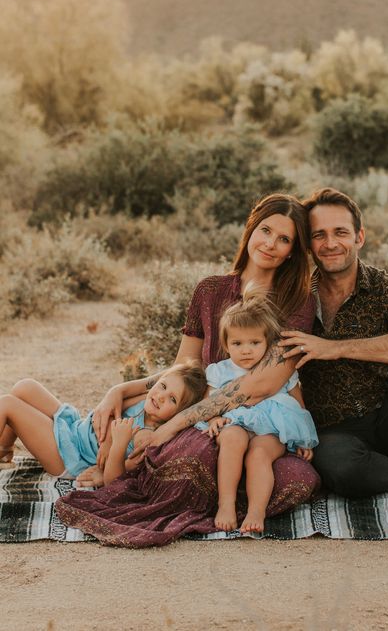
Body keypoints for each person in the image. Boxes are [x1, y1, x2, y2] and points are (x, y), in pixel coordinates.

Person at [55, 193, 320, 547]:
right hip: (208, 419)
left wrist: (172, 427)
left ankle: (236, 503)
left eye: (284, 239)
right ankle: (209, 500)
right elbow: (187, 367)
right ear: (251, 228)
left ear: (293, 250)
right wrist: (119, 391)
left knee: (295, 477)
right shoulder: (210, 290)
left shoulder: (298, 301)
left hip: (267, 423)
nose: (271, 244)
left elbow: (265, 383)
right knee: (194, 455)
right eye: (266, 230)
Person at [279, 187, 388, 545]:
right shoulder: (295, 298)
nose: (331, 243)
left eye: (340, 232)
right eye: (319, 235)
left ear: (359, 236)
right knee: (335, 467)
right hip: (336, 435)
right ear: (309, 245)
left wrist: (336, 349)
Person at [195, 286, 318, 533]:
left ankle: (256, 511)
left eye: (254, 342)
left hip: (272, 429)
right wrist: (214, 419)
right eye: (237, 343)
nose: (246, 350)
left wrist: (303, 438)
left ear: (267, 342)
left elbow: (298, 405)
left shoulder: (279, 370)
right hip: (235, 424)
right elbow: (208, 403)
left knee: (258, 455)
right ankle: (226, 504)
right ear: (226, 344)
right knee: (231, 439)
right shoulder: (220, 371)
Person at [0, 363, 206, 482]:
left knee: (7, 405)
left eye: (172, 399)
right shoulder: (145, 401)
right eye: (162, 386)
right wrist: (107, 439)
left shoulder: (145, 436)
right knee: (24, 387)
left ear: (178, 413)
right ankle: (4, 448)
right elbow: (113, 408)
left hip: (69, 456)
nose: (161, 396)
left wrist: (114, 448)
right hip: (76, 429)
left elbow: (116, 478)